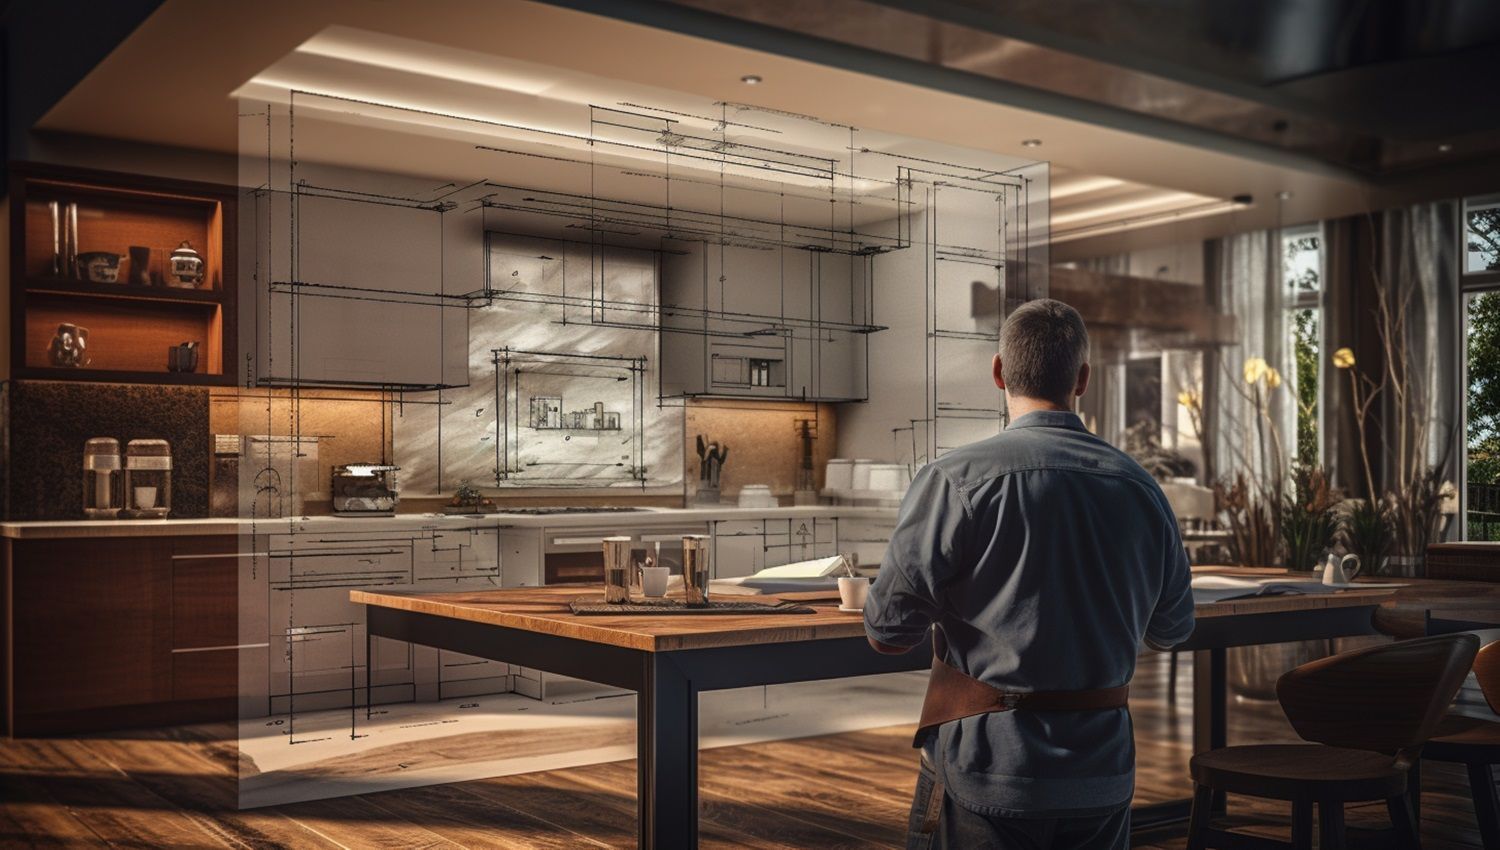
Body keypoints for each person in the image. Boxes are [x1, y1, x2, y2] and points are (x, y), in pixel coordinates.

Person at [864, 298, 1196, 849]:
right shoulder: (1141, 488)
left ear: (998, 371)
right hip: (1102, 775)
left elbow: (887, 632)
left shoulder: (955, 480)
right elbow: (1173, 628)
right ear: (1082, 379)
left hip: (990, 768)